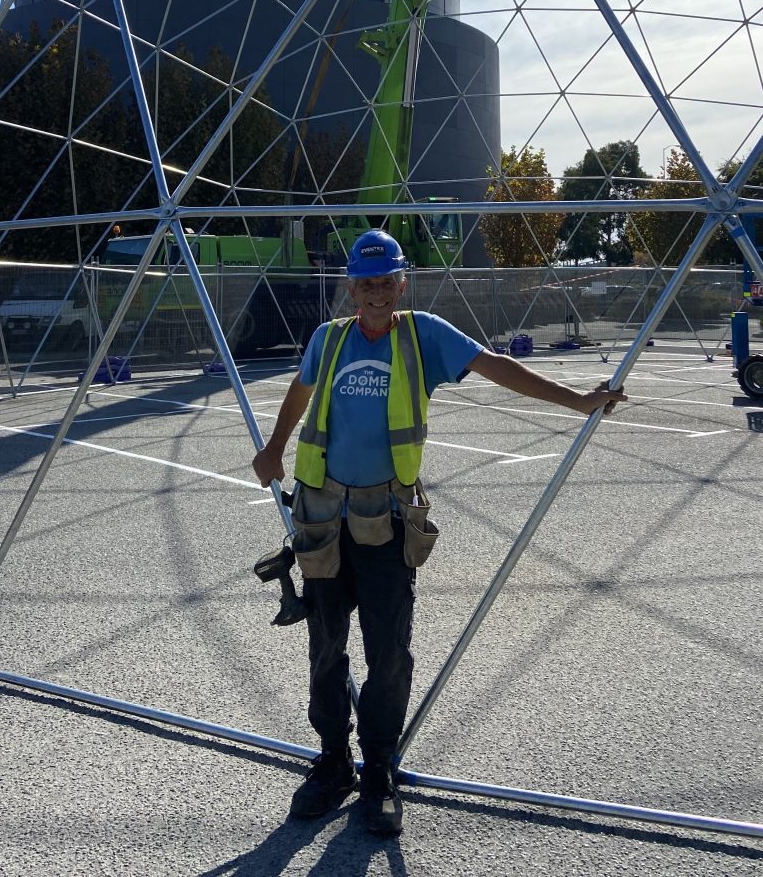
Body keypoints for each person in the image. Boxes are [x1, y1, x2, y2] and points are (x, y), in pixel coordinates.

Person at [252, 229, 626, 837]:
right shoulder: (330, 338)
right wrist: (273, 448)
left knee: (390, 652)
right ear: (351, 287)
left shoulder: (421, 333)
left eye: (386, 282)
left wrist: (576, 401)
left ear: (403, 283)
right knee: (325, 649)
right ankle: (333, 764)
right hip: (322, 521)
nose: (375, 293)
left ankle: (378, 772)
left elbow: (495, 365)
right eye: (365, 283)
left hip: (386, 521)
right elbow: (302, 388)